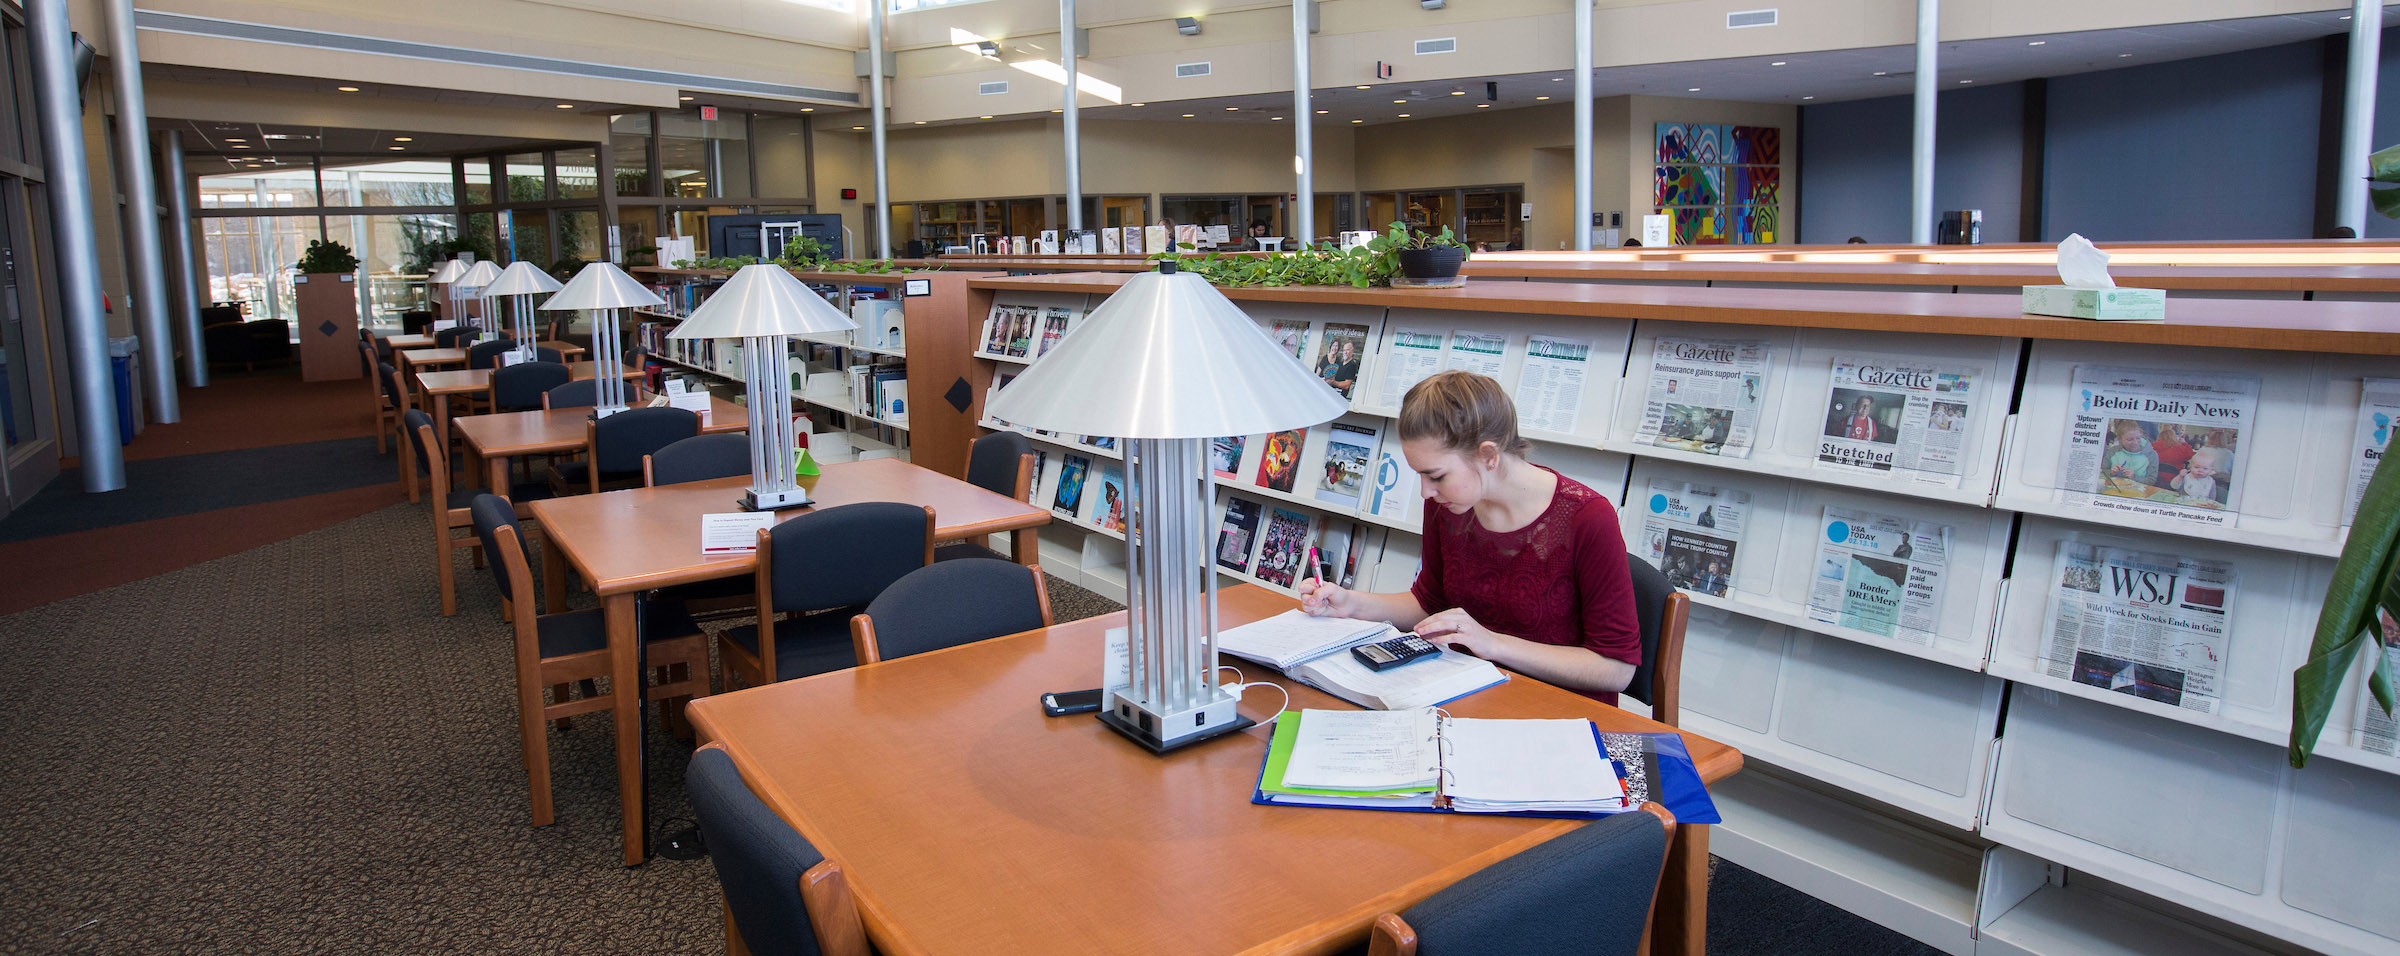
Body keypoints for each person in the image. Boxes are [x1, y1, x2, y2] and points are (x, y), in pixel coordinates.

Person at [1298, 371, 1642, 703]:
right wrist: (1352, 604)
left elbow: (1614, 669)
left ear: (1489, 456)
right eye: (1420, 475)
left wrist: (1492, 644)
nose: (1425, 492)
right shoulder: (1450, 503)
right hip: (1467, 693)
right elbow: (1430, 602)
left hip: (1558, 715)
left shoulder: (1588, 517)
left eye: (1437, 476)